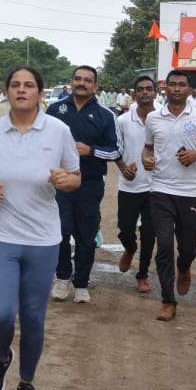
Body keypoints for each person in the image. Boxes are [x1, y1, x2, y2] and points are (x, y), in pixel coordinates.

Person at [0, 65, 80, 390]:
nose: (22, 90)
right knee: (0, 313)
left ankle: (26, 384)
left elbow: (75, 176)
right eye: (15, 85)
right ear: (6, 91)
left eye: (29, 85)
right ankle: (2, 356)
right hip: (0, 234)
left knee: (34, 316)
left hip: (42, 238)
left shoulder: (58, 130)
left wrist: (66, 181)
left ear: (40, 92)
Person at [140, 70, 196, 322]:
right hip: (160, 189)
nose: (176, 88)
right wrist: (146, 159)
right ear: (165, 89)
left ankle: (185, 267)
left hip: (190, 192)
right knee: (163, 245)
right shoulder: (153, 118)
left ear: (189, 90)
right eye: (171, 84)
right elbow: (148, 147)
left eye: (181, 85)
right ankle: (168, 300)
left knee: (187, 247)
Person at [48, 66, 120, 304]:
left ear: (95, 86)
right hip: (58, 182)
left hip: (90, 184)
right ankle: (61, 277)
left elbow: (117, 150)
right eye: (78, 79)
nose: (82, 83)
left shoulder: (105, 115)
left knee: (86, 237)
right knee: (59, 232)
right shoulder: (54, 110)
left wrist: (92, 151)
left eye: (87, 80)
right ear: (71, 82)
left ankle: (81, 283)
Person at [115, 75, 158, 294]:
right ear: (134, 94)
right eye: (140, 89)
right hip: (129, 185)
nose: (144, 92)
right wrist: (123, 167)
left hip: (155, 187)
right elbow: (114, 150)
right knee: (125, 230)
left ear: (155, 93)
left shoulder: (162, 119)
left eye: (148, 89)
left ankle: (142, 275)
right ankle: (129, 249)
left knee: (150, 233)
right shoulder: (122, 121)